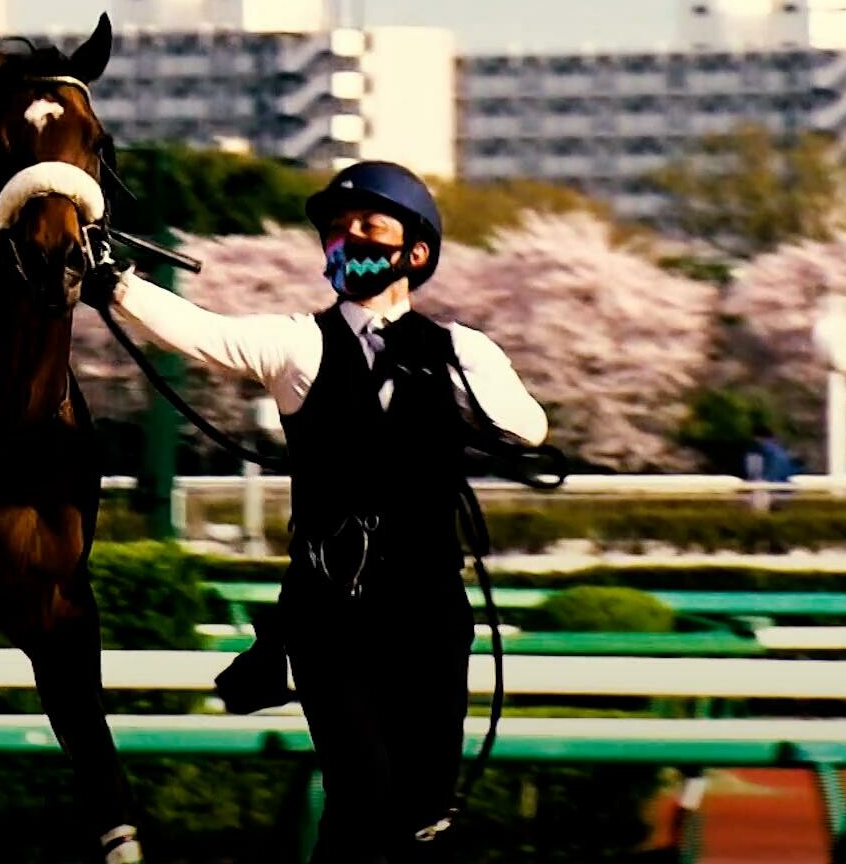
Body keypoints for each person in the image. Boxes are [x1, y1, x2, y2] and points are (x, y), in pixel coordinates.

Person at [81, 160, 549, 862]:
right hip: (333, 611)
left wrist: (449, 383)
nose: (349, 236)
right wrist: (115, 283)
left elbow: (528, 428)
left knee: (425, 808)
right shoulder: (297, 342)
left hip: (430, 608)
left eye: (369, 226)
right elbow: (201, 331)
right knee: (362, 791)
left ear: (415, 252)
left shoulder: (460, 350)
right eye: (337, 228)